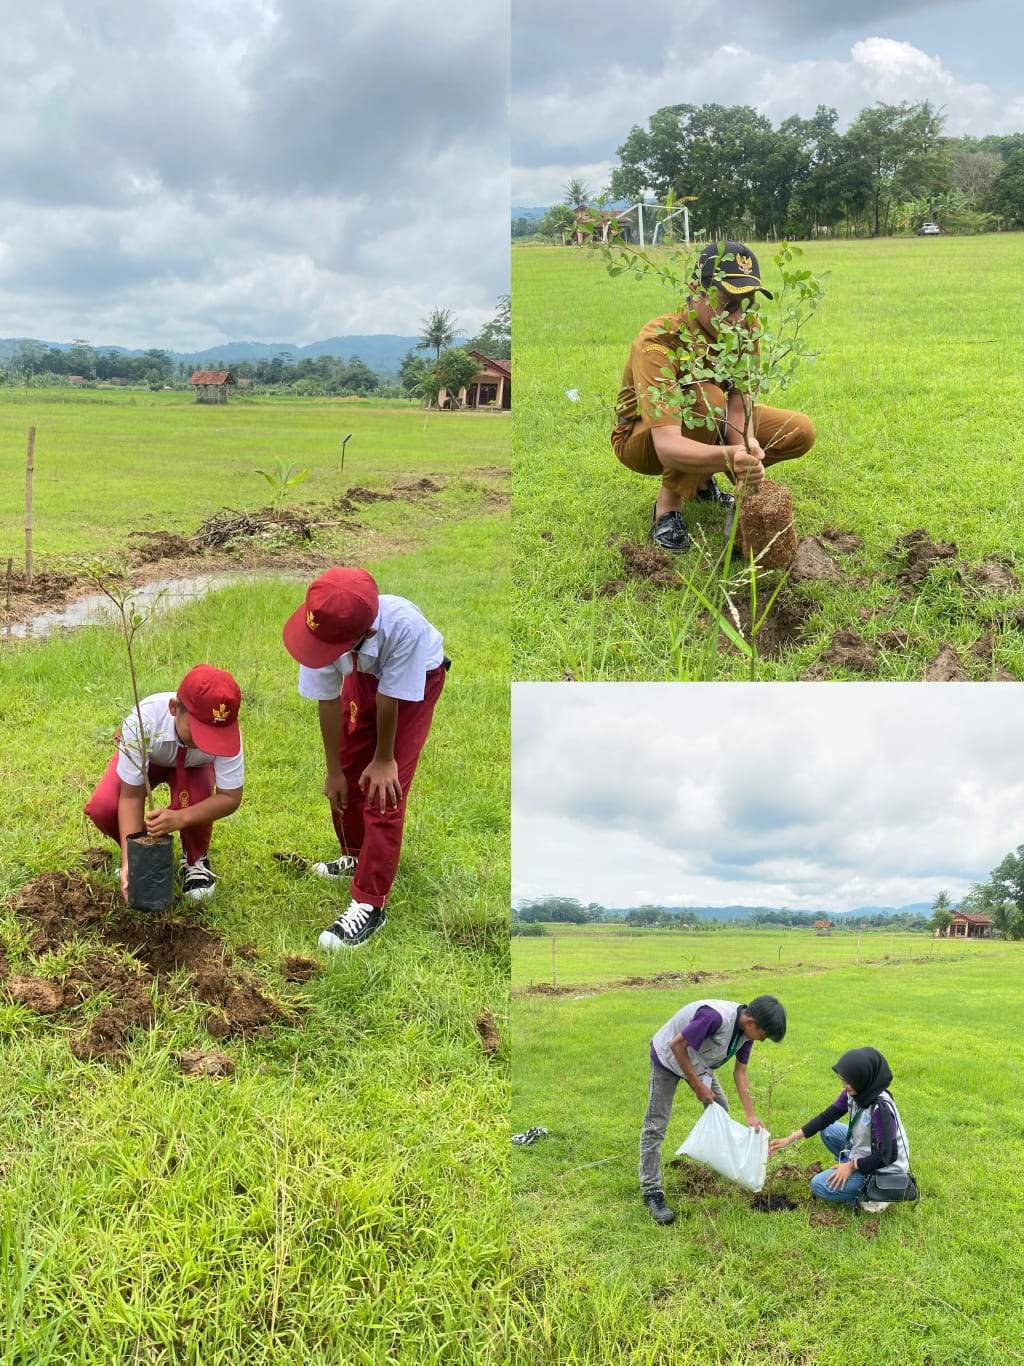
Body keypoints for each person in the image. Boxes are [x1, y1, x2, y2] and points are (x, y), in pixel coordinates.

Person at [610, 240, 816, 553]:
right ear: (697, 290)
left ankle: (703, 481)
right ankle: (668, 507)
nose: (737, 315)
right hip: (642, 438)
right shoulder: (659, 340)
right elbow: (665, 445)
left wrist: (746, 452)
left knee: (799, 431)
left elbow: (738, 409)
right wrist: (730, 457)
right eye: (728, 302)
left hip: (710, 420)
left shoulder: (747, 329)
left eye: (747, 301)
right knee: (708, 400)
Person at [282, 566, 448, 951]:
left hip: (416, 681)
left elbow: (391, 696)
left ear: (366, 633)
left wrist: (386, 759)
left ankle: (370, 903)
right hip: (363, 671)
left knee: (384, 790)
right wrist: (334, 770)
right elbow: (327, 698)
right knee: (353, 768)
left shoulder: (404, 627)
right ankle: (356, 855)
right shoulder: (322, 628)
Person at [84, 664, 244, 903]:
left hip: (194, 768)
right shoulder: (143, 721)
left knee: (195, 799)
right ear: (173, 709)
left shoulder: (225, 730)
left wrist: (181, 818)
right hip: (151, 760)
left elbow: (230, 797)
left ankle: (194, 860)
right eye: (200, 731)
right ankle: (143, 854)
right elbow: (131, 796)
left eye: (215, 735)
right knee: (105, 806)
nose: (207, 742)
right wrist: (132, 861)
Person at [640, 994, 786, 1225]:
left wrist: (750, 1115)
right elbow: (677, 1046)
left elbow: (740, 1072)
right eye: (764, 1035)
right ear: (751, 1023)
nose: (762, 1040)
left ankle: (715, 1162)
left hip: (698, 1062)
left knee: (720, 1108)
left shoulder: (746, 1036)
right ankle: (652, 1191)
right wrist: (698, 1085)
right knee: (655, 1125)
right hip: (668, 1058)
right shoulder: (714, 1017)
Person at [768, 1047, 913, 1214]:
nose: (844, 1086)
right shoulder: (856, 1092)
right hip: (867, 1151)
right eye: (842, 1080)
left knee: (819, 1186)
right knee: (829, 1130)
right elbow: (828, 1116)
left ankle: (875, 1195)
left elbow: (887, 1156)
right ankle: (852, 1177)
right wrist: (791, 1138)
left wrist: (851, 1166)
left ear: (863, 1078)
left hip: (884, 1169)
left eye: (848, 1081)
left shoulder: (881, 1109)